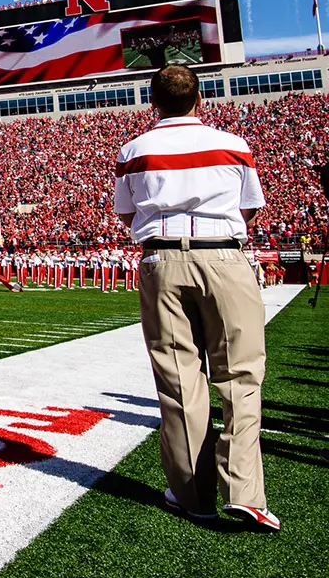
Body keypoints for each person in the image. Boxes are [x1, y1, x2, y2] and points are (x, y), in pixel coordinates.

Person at [112, 64, 278, 532]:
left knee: (179, 380)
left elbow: (127, 214)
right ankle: (245, 490)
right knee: (241, 377)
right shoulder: (233, 144)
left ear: (153, 103)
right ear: (200, 100)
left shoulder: (134, 149)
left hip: (161, 259)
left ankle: (194, 496)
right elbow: (248, 207)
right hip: (224, 255)